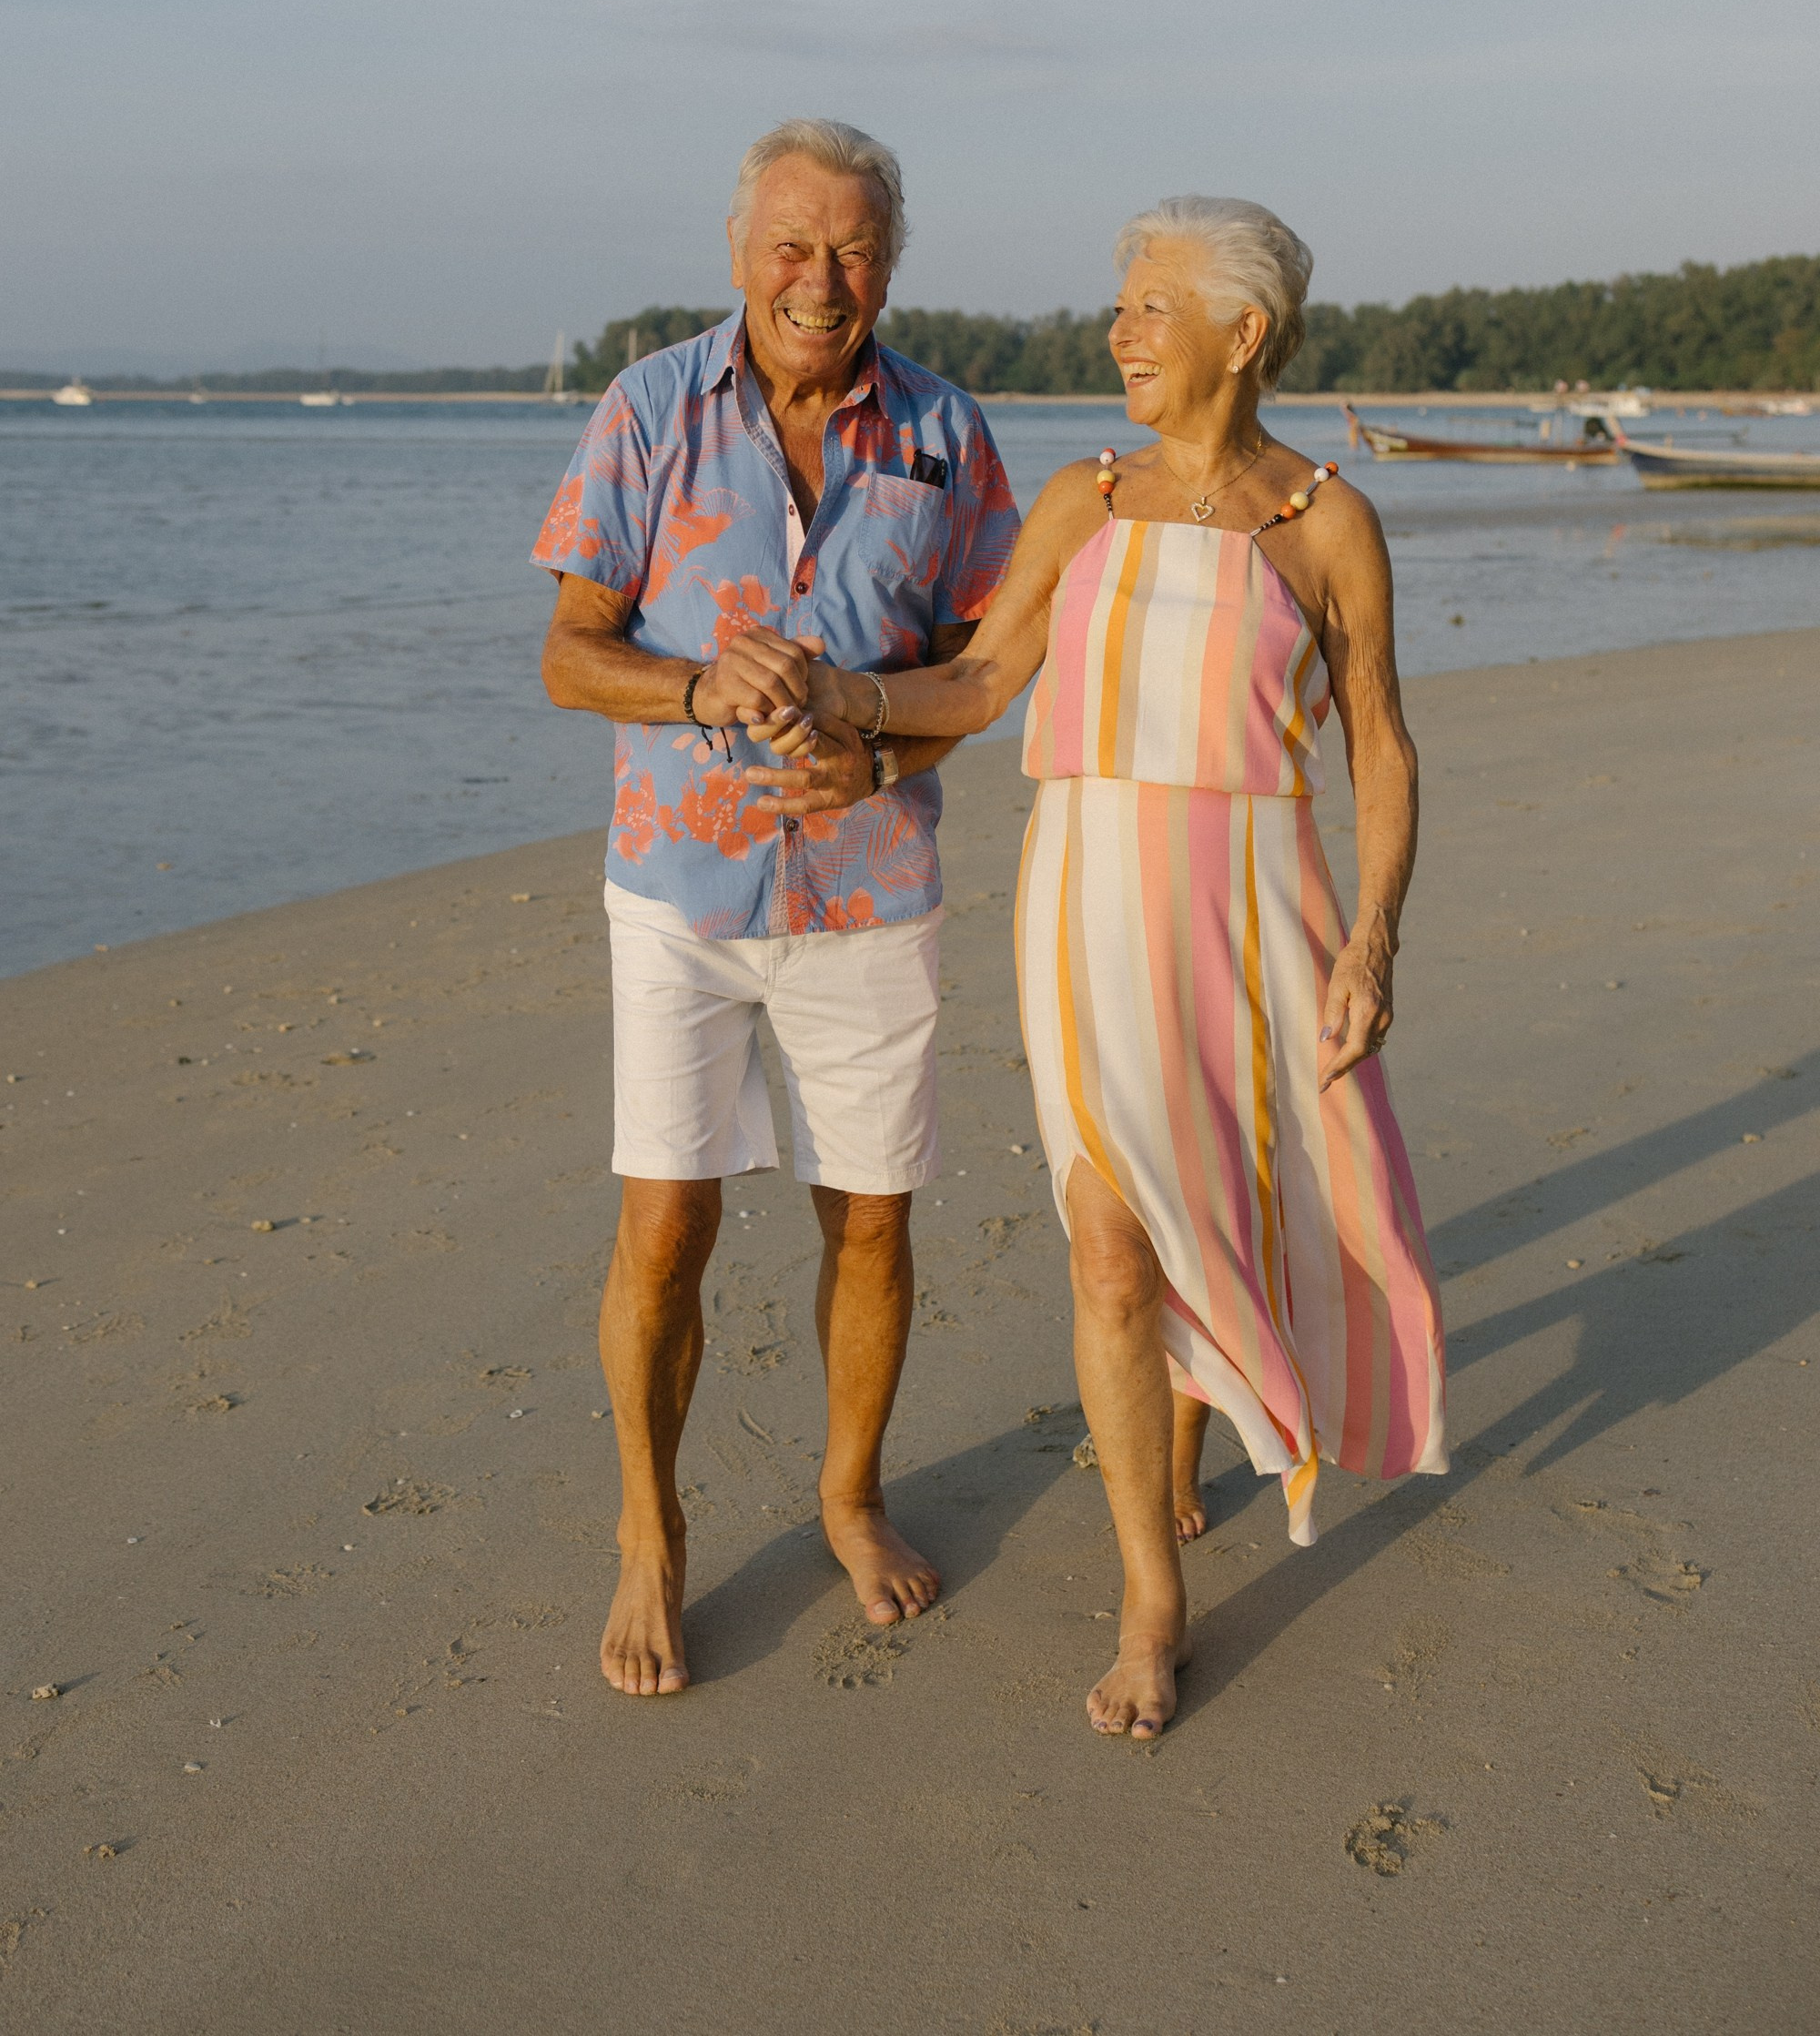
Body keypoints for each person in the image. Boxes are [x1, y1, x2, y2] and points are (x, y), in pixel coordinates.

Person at [780, 198, 1448, 1740]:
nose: (1120, 334)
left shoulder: (1327, 524)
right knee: (1107, 1236)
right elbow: (984, 674)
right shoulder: (1086, 500)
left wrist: (1376, 936)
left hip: (1255, 908)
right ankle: (1153, 1600)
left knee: (1222, 1199)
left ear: (1243, 332)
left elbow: (1384, 742)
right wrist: (843, 700)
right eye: (1121, 306)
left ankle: (1202, 1397)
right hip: (1086, 896)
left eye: (1152, 306)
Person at [533, 117, 1018, 1697]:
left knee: (870, 1215)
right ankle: (650, 1535)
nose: (824, 280)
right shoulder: (649, 408)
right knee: (666, 1220)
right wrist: (689, 683)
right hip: (677, 886)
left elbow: (983, 673)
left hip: (869, 892)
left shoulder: (945, 432)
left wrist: (880, 747)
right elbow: (567, 652)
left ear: (892, 260)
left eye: (857, 248)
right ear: (740, 251)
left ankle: (849, 1497)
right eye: (794, 247)